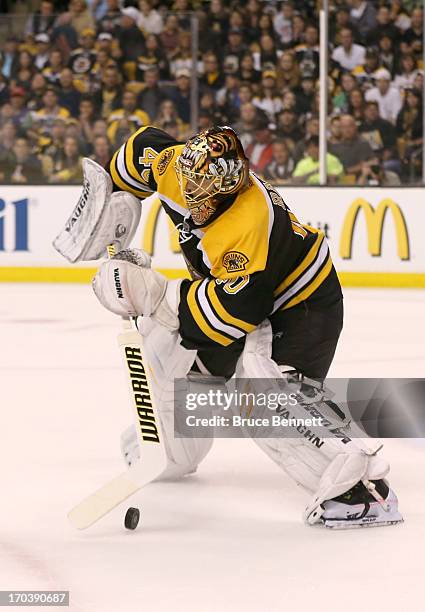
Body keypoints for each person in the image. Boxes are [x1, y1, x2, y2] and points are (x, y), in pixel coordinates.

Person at [85, 124, 402, 528]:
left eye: (205, 192)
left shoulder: (246, 222)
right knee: (163, 346)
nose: (193, 199)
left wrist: (153, 295)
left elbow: (235, 314)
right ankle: (170, 449)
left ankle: (360, 488)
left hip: (301, 305)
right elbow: (137, 151)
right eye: (188, 182)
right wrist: (113, 207)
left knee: (259, 390)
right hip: (235, 293)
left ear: (231, 187)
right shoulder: (173, 166)